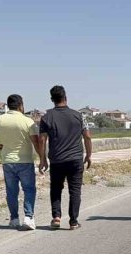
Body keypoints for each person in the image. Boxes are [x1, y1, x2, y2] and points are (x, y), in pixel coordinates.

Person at [0, 94, 41, 231]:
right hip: (25, 161)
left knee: (11, 191)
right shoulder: (27, 121)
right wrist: (42, 157)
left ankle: (14, 219)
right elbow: (36, 142)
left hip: (7, 161)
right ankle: (28, 217)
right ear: (21, 105)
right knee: (29, 189)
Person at [39, 85, 92, 230]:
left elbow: (42, 140)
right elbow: (87, 136)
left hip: (56, 160)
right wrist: (88, 155)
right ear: (65, 97)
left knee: (56, 188)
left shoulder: (46, 117)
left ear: (52, 99)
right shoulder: (79, 115)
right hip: (75, 159)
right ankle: (73, 221)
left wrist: (42, 159)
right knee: (75, 190)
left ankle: (56, 217)